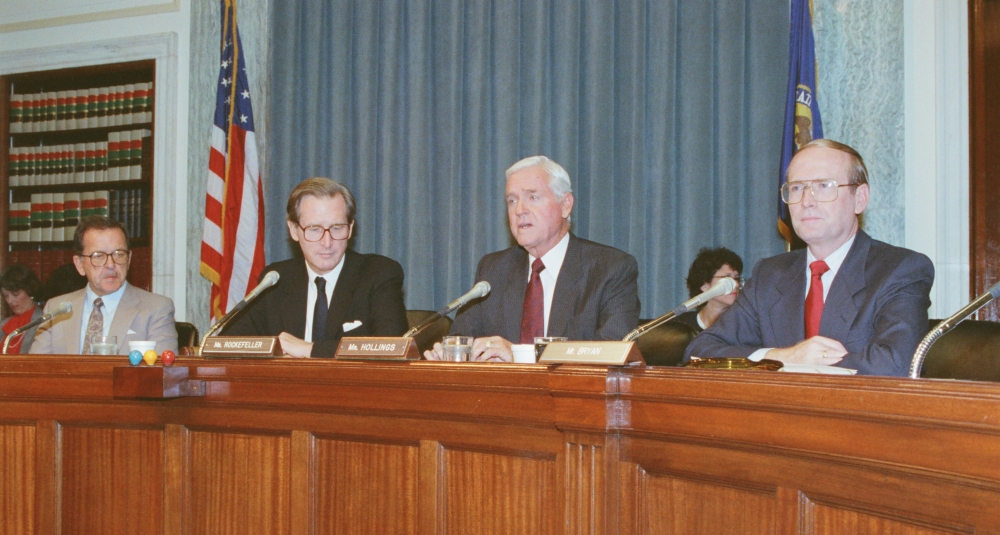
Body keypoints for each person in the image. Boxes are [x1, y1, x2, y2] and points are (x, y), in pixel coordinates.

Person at [684, 139, 934, 376]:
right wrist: (784, 358)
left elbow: (896, 365)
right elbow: (700, 352)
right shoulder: (770, 275)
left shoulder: (899, 270)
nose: (806, 201)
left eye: (823, 186)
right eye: (796, 188)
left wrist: (805, 365)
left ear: (860, 199)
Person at [425, 155, 640, 362]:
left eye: (533, 197)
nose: (519, 210)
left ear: (565, 205)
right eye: (512, 200)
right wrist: (453, 355)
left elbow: (612, 353)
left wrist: (520, 355)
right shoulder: (493, 270)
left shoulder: (610, 269)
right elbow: (465, 337)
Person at [225, 177, 408, 357]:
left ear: (350, 228)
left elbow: (392, 346)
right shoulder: (277, 279)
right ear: (294, 230)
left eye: (337, 228)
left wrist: (309, 349)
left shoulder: (379, 274)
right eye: (314, 229)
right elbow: (231, 342)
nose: (327, 242)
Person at [30, 216, 178, 355]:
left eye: (119, 254)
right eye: (98, 256)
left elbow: (163, 375)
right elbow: (34, 372)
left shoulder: (156, 309)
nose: (111, 264)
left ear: (129, 259)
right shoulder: (56, 310)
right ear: (80, 264)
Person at [676, 247, 744, 332]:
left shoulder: (745, 327)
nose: (736, 284)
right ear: (704, 285)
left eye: (736, 278)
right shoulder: (680, 326)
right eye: (727, 278)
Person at [1, 264, 43, 354]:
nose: (10, 301)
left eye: (15, 294)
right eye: (6, 296)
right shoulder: (4, 324)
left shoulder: (43, 322)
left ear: (29, 290)